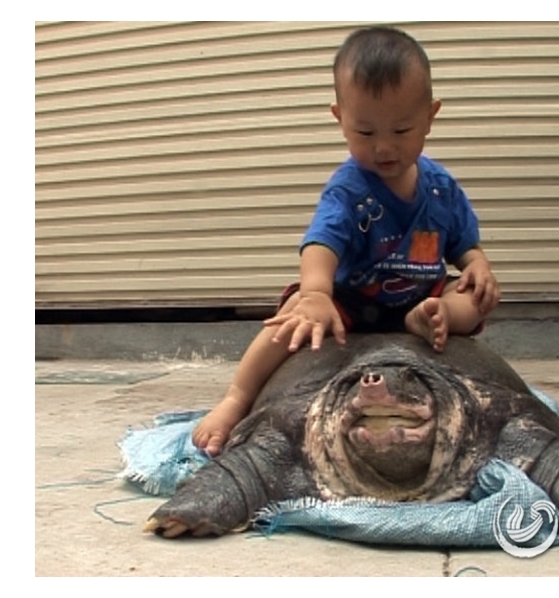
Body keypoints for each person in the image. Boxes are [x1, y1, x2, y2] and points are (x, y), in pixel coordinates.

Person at [193, 26, 501, 456]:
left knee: (472, 298)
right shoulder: (349, 190)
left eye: (401, 129)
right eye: (366, 132)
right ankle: (235, 398)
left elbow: (464, 244)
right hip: (351, 300)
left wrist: (476, 265)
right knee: (291, 316)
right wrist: (317, 293)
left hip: (419, 298)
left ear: (431, 116)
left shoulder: (440, 188)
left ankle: (431, 317)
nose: (384, 147)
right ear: (340, 120)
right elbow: (321, 245)